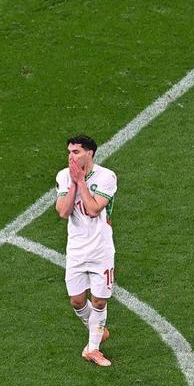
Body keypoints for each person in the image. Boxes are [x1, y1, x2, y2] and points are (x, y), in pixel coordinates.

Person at [55, 135, 117, 367]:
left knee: (99, 302)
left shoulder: (106, 177)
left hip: (101, 249)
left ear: (89, 153)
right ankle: (97, 329)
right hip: (76, 250)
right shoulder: (63, 176)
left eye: (76, 152)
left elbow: (92, 209)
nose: (71, 157)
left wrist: (81, 180)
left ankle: (93, 348)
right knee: (76, 301)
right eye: (69, 152)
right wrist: (73, 183)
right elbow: (63, 212)